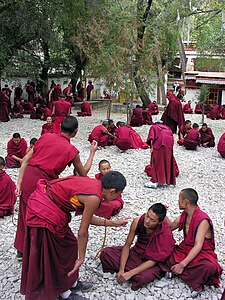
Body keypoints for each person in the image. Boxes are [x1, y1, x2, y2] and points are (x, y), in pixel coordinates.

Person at [20, 171, 127, 300]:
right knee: (56, 254)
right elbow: (82, 232)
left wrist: (114, 223)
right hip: (44, 213)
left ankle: (71, 282)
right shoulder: (94, 198)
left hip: (47, 202)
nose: (117, 198)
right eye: (118, 194)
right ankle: (63, 293)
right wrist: (81, 258)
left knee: (70, 244)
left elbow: (87, 217)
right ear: (112, 191)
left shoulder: (93, 184)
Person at [14, 116, 98, 260]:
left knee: (25, 212)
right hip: (44, 183)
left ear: (60, 127)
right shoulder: (72, 151)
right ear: (76, 131)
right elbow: (83, 174)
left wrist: (19, 182)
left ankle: (22, 250)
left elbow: (26, 159)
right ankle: (38, 251)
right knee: (45, 216)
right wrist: (92, 153)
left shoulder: (45, 137)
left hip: (28, 176)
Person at [161, 189, 222, 298]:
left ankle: (179, 272)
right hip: (185, 250)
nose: (177, 202)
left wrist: (182, 264)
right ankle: (184, 273)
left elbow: (198, 246)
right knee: (165, 251)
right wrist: (163, 213)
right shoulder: (184, 216)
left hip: (201, 254)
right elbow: (170, 227)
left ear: (186, 201)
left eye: (179, 200)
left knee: (209, 267)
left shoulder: (202, 220)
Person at [100, 203, 175, 291]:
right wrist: (121, 269)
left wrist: (130, 273)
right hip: (136, 253)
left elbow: (154, 260)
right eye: (147, 216)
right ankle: (127, 273)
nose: (147, 221)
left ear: (160, 222)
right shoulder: (138, 221)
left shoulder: (165, 233)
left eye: (152, 220)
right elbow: (127, 246)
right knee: (106, 253)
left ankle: (132, 274)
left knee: (143, 278)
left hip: (150, 261)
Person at [144, 123, 177, 188]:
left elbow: (151, 137)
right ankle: (168, 180)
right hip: (169, 145)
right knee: (167, 161)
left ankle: (154, 181)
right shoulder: (167, 128)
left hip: (159, 144)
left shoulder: (154, 127)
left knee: (157, 161)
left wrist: (152, 147)